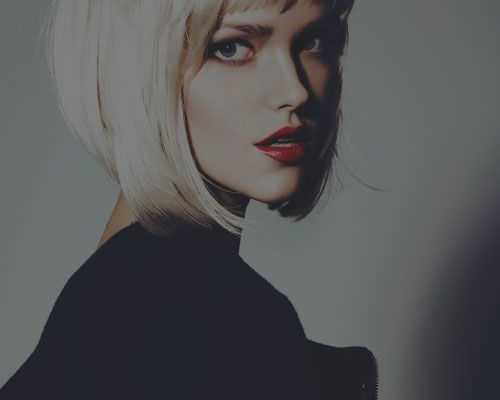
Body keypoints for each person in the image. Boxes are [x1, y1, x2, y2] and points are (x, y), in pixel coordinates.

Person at [1, 0, 378, 398]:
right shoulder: (215, 319)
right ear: (136, 70)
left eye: (315, 42)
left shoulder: (107, 299)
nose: (295, 91)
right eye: (231, 48)